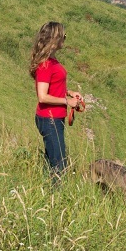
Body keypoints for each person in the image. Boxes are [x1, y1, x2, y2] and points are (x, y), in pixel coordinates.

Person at [30, 21, 83, 178]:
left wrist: (69, 92)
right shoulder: (46, 64)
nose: (65, 39)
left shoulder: (52, 60)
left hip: (54, 118)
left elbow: (52, 85)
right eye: (63, 36)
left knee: (52, 162)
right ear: (55, 38)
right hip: (49, 119)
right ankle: (56, 198)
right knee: (59, 165)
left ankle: (48, 194)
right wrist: (67, 102)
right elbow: (42, 96)